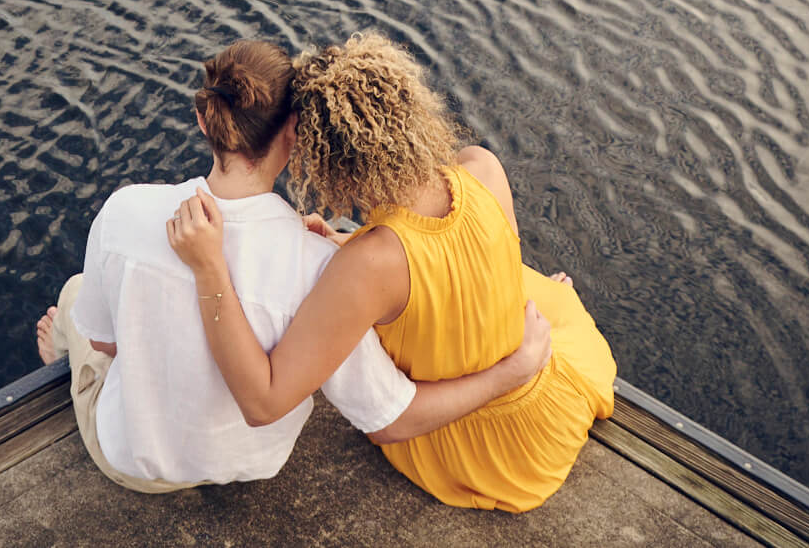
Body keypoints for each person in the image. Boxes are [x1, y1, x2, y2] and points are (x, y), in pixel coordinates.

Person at [35, 38, 552, 492]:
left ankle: (58, 349)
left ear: (203, 119)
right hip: (252, 461)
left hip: (133, 460)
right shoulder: (331, 261)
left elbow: (110, 342)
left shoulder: (124, 210)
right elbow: (383, 401)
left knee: (79, 298)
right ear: (294, 132)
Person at [168, 32, 617, 511]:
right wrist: (347, 241)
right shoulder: (480, 167)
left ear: (330, 163)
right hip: (552, 404)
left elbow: (270, 401)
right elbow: (458, 263)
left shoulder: (368, 267)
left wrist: (212, 267)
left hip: (489, 450)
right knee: (530, 287)